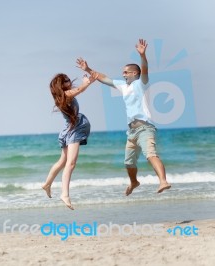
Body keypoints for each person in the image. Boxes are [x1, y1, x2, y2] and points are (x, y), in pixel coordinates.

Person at [78, 39, 171, 196]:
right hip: (131, 132)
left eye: (126, 72)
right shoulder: (123, 85)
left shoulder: (141, 84)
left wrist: (143, 55)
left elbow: (145, 70)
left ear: (134, 73)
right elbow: (104, 78)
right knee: (128, 162)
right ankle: (134, 182)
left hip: (145, 128)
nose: (123, 74)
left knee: (150, 155)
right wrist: (88, 69)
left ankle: (163, 181)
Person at [42, 61, 98, 210]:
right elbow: (79, 90)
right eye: (66, 80)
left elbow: (80, 89)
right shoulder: (66, 95)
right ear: (61, 85)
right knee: (70, 163)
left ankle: (47, 184)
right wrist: (86, 84)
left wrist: (89, 81)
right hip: (73, 131)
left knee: (62, 162)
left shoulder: (64, 96)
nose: (69, 81)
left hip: (70, 130)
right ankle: (64, 194)